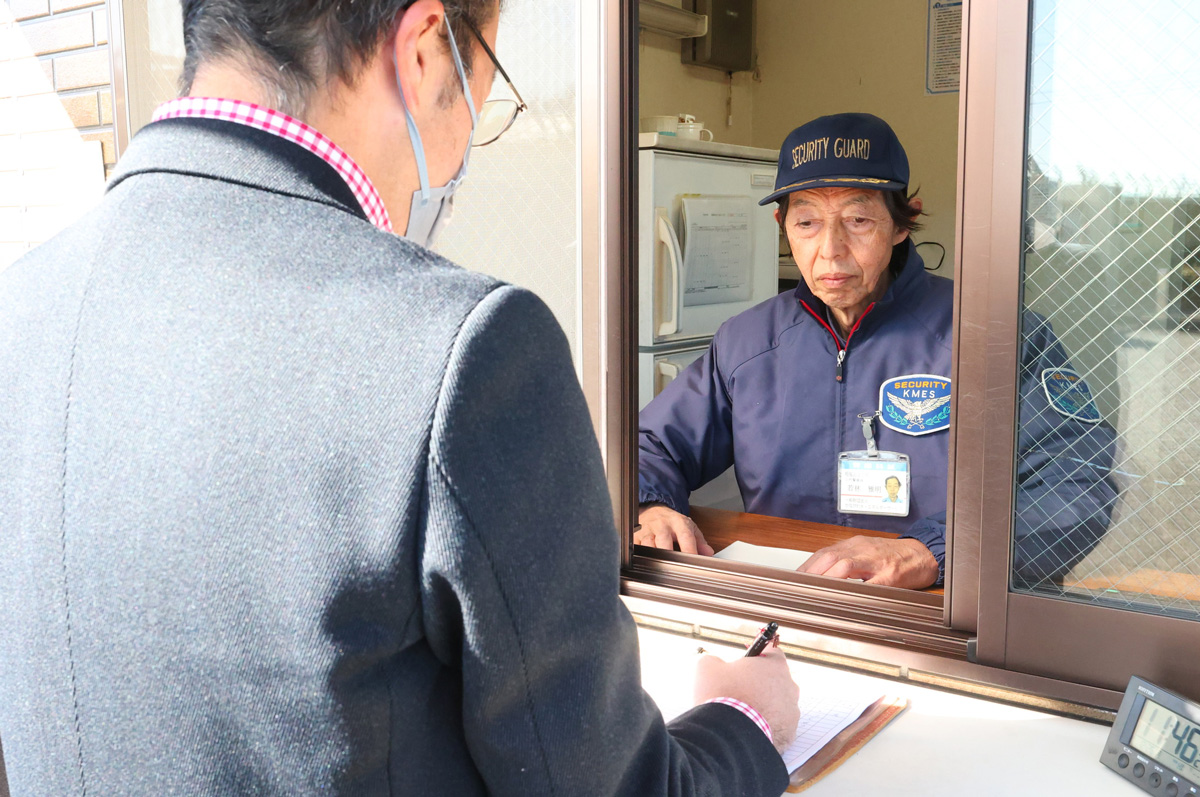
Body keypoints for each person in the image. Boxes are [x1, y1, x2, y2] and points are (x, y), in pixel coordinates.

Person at [0, 1, 800, 794]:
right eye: (485, 103)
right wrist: (744, 717)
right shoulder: (467, 349)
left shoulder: (20, 305)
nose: (459, 161)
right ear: (424, 49)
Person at [636, 112, 1117, 590]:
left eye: (858, 220)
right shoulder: (749, 342)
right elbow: (650, 445)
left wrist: (933, 550)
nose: (830, 250)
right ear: (783, 225)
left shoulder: (993, 336)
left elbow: (1077, 484)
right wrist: (651, 504)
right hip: (796, 599)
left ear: (902, 224)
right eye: (806, 222)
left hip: (941, 606)